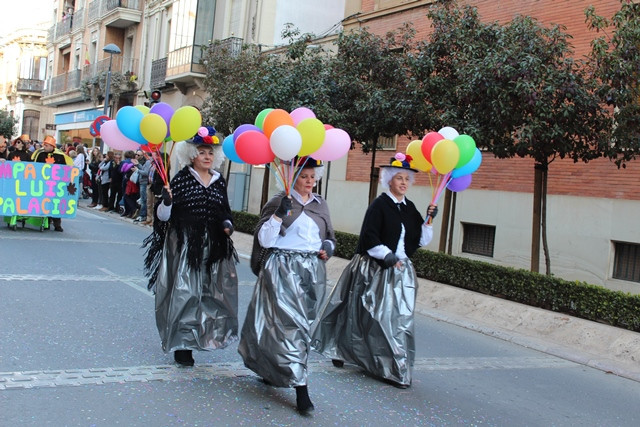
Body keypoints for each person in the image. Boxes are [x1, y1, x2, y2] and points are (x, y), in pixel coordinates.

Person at [311, 153, 438, 389]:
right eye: (398, 178)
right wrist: (387, 256)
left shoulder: (409, 208)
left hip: (400, 273)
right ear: (389, 180)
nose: (403, 183)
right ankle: (353, 353)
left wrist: (428, 221)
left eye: (406, 179)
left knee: (398, 320)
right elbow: (369, 236)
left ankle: (393, 367)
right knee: (362, 315)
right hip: (374, 269)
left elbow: (419, 239)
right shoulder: (379, 205)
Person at [238, 157, 336, 415]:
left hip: (312, 273)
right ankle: (301, 389)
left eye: (313, 178)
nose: (310, 182)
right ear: (293, 178)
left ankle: (270, 368)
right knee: (291, 329)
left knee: (297, 328)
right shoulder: (278, 202)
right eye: (305, 177)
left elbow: (329, 238)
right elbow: (265, 239)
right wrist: (280, 214)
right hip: (282, 271)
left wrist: (327, 248)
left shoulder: (320, 204)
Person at [143, 126, 237, 368]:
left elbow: (224, 211)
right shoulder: (182, 179)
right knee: (186, 294)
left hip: (214, 247)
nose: (208, 156)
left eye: (211, 152)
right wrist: (166, 202)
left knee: (212, 295)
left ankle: (207, 336)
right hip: (186, 246)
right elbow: (164, 217)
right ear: (191, 155)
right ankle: (183, 344)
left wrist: (227, 225)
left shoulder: (219, 181)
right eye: (202, 152)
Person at [32, 135, 72, 232]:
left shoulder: (60, 156)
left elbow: (65, 170)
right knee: (45, 203)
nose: (44, 147)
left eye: (46, 145)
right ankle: (46, 222)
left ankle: (57, 224)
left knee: (55, 204)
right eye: (44, 145)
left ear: (51, 146)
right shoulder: (40, 155)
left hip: (56, 185)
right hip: (44, 184)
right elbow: (35, 168)